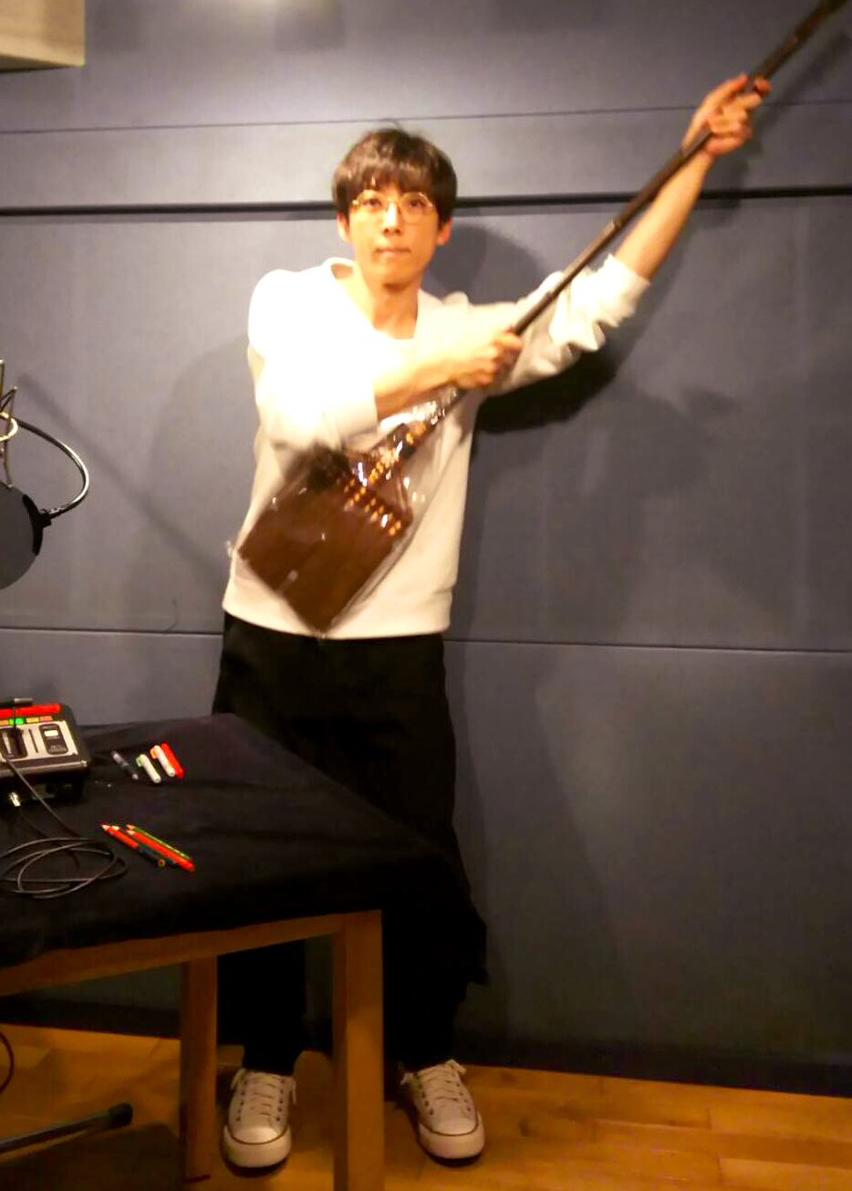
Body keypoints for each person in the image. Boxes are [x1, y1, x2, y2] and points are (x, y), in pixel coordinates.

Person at [212, 73, 768, 1168]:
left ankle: (423, 1050)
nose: (391, 218)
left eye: (415, 203)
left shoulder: (478, 329)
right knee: (258, 859)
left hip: (398, 651)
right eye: (372, 199)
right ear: (344, 220)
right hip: (269, 635)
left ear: (441, 229)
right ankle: (264, 1059)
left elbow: (595, 302)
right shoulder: (289, 300)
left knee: (418, 857)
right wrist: (441, 370)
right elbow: (299, 413)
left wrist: (697, 156)